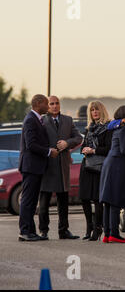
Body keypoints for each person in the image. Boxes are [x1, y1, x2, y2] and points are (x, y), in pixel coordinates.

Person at [38, 96, 83, 240]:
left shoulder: (68, 120)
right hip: (47, 164)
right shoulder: (42, 121)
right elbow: (37, 141)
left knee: (63, 201)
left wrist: (67, 143)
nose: (55, 106)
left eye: (57, 103)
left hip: (62, 165)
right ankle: (43, 231)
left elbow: (78, 138)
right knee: (44, 201)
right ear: (47, 106)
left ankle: (63, 231)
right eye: (52, 104)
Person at [18, 95, 59, 241]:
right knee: (28, 200)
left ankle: (31, 231)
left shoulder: (36, 119)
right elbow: (31, 145)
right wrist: (49, 151)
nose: (48, 106)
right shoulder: (30, 120)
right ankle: (25, 232)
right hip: (31, 166)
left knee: (31, 200)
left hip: (36, 167)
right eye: (46, 103)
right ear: (38, 104)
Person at [99, 105, 125, 243]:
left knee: (108, 200)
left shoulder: (117, 128)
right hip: (118, 166)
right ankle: (114, 233)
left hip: (110, 163)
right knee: (114, 200)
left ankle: (107, 234)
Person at [79, 101, 113, 241]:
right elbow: (82, 147)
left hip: (100, 167)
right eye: (92, 110)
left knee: (98, 199)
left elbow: (109, 148)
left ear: (102, 111)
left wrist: (93, 150)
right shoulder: (89, 128)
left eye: (97, 109)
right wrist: (85, 149)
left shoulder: (108, 128)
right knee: (84, 198)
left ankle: (98, 228)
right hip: (87, 166)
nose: (95, 112)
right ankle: (89, 227)